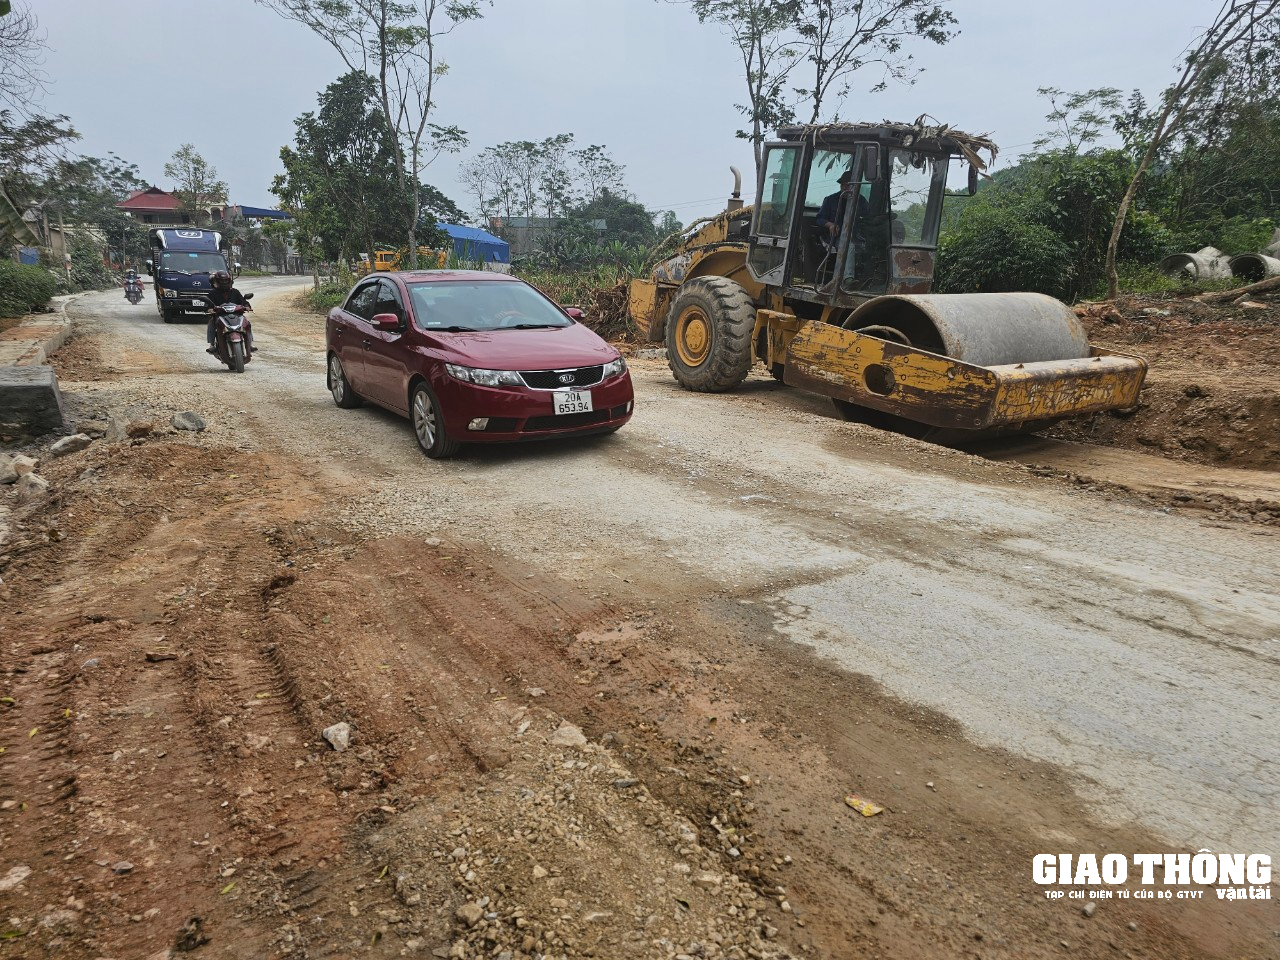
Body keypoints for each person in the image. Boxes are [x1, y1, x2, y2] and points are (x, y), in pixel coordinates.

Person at [205, 270, 254, 355]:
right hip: (220, 316)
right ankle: (212, 345)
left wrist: (247, 306)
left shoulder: (235, 292)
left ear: (229, 281)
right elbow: (208, 304)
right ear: (216, 281)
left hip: (236, 315)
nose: (224, 283)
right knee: (211, 322)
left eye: (225, 280)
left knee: (247, 323)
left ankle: (250, 344)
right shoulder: (213, 293)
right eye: (221, 281)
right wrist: (210, 309)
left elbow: (243, 301)